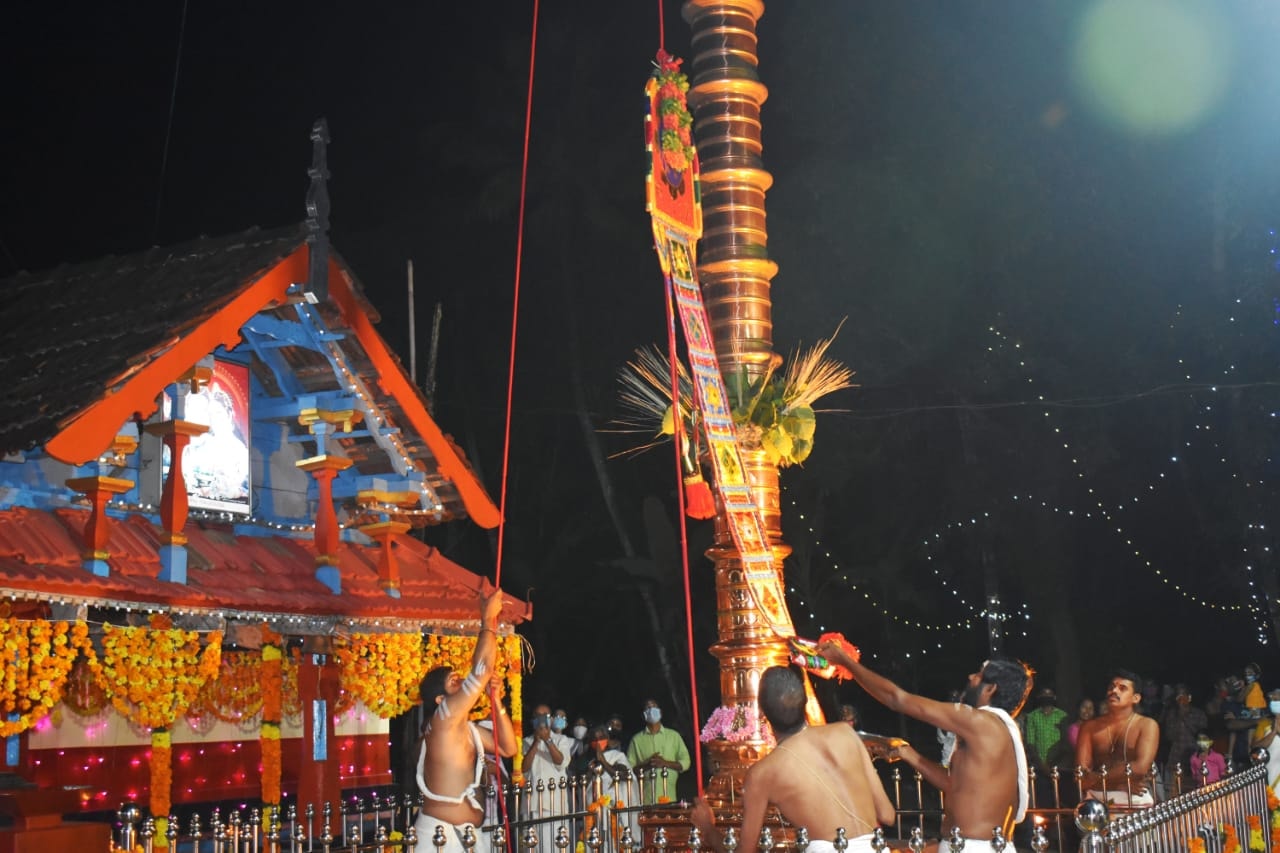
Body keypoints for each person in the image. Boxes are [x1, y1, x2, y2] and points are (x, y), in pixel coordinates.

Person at [817, 640, 1033, 851]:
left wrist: (846, 662)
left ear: (990, 689)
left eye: (978, 675)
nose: (970, 677)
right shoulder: (998, 730)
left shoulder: (979, 721)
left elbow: (897, 699)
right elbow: (953, 785)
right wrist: (908, 753)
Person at [690, 666, 895, 853]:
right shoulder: (846, 733)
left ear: (761, 712)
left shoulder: (764, 772)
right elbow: (887, 815)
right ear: (805, 701)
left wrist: (708, 828)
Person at [414, 590, 518, 853]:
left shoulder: (468, 729)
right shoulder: (441, 720)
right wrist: (487, 621)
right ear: (440, 699)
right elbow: (481, 672)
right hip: (439, 836)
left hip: (470, 836)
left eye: (460, 678)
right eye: (453, 681)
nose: (461, 683)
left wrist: (496, 701)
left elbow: (508, 749)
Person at [1075, 670, 1160, 808]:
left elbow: (1140, 768)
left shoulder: (1147, 725)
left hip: (1136, 800)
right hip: (1096, 804)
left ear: (1136, 698)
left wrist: (1097, 778)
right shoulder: (1089, 727)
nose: (1114, 690)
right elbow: (1081, 778)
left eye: (1122, 688)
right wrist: (1120, 784)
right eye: (1111, 687)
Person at [521, 701, 575, 849]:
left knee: (554, 846)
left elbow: (560, 762)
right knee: (532, 847)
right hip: (531, 804)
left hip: (554, 803)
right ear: (532, 720)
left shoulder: (561, 740)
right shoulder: (526, 742)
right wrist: (536, 743)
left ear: (551, 720)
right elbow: (523, 769)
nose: (541, 719)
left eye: (545, 716)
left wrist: (547, 740)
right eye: (537, 716)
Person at [626, 699, 691, 803]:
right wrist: (648, 765)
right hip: (645, 799)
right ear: (643, 715)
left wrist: (665, 763)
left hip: (669, 796)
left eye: (654, 707)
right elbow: (629, 770)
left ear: (660, 712)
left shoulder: (673, 736)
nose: (651, 710)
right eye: (648, 708)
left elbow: (686, 762)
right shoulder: (636, 740)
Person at [1159, 684, 1206, 792]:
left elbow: (1202, 735)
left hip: (1194, 758)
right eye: (1178, 695)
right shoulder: (1172, 714)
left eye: (1183, 694)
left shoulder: (1198, 713)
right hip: (1176, 758)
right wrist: (1178, 715)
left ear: (1189, 697)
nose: (1181, 698)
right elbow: (1169, 736)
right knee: (1173, 793)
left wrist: (1185, 717)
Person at [1249, 688, 1280, 792]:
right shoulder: (1265, 723)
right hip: (1270, 773)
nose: (1274, 703)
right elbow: (1255, 748)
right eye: (1273, 700)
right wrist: (1273, 732)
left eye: (1277, 700)